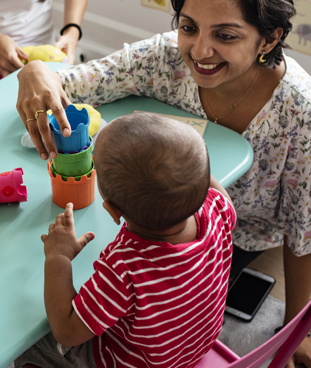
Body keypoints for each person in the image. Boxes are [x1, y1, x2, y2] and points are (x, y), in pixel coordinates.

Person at [16, 0, 311, 367]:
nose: (200, 50)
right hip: (202, 237)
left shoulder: (300, 109)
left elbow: (303, 230)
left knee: (38, 323)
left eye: (225, 35)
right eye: (188, 28)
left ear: (269, 38)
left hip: (236, 240)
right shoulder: (165, 61)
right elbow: (74, 81)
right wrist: (34, 72)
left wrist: (297, 328)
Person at [15, 113, 236, 368]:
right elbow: (216, 192)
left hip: (133, 362)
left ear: (112, 210)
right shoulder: (217, 208)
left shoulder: (125, 268)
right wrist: (189, 170)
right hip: (189, 351)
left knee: (30, 344)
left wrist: (58, 257)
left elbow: (66, 330)